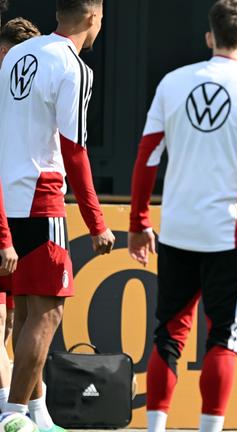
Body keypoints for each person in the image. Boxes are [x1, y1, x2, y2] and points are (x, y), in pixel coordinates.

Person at [127, 1, 237, 431]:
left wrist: (138, 222)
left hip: (178, 229)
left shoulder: (173, 83)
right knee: (224, 338)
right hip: (228, 233)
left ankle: (154, 429)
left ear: (210, 37)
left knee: (167, 335)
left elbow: (147, 158)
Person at [0, 0, 115, 428]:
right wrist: (96, 222)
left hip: (5, 197)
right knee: (46, 314)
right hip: (40, 197)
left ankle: (36, 413)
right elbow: (74, 150)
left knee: (26, 313)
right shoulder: (73, 66)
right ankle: (12, 415)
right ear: (93, 17)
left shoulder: (15, 54)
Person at [0, 13, 40, 413]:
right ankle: (9, 413)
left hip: (17, 217)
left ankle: (28, 413)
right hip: (8, 225)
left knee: (16, 323)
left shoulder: (18, 102)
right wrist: (5, 238)